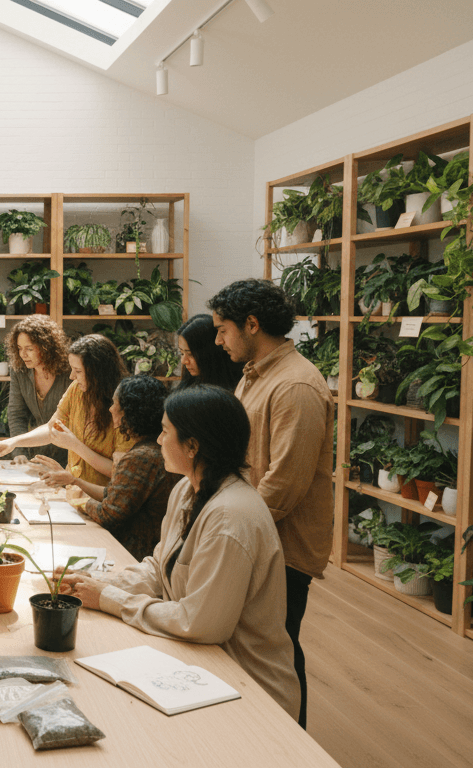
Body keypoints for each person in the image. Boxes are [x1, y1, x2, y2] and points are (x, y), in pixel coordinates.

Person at [58, 385, 301, 721]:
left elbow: (198, 624)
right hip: (200, 667)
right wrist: (97, 583)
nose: (158, 440)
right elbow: (159, 568)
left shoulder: (231, 516)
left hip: (247, 688)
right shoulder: (188, 489)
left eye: (165, 431)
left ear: (192, 446)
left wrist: (109, 598)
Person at [208, 278, 333, 729]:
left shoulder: (296, 385)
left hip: (282, 544)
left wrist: (233, 529)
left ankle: (292, 743)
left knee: (278, 647)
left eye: (223, 330)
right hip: (256, 534)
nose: (218, 340)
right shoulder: (255, 375)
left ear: (252, 324)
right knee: (256, 643)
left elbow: (286, 482)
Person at [42, 374, 177, 562]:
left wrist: (78, 501)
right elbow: (115, 495)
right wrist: (75, 481)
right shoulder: (146, 449)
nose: (110, 408)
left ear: (130, 412)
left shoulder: (141, 457)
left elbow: (108, 513)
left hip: (134, 555)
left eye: (115, 404)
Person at [0, 334, 133, 487]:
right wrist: (14, 442)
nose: (71, 376)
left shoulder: (124, 406)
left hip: (104, 495)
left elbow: (120, 472)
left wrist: (75, 445)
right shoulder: (77, 389)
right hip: (74, 492)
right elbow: (52, 429)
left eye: (78, 371)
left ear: (98, 372)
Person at [3, 315, 71, 465]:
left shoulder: (69, 371)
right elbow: (16, 413)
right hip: (38, 455)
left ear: (46, 347)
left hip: (71, 455)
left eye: (29, 349)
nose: (23, 354)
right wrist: (19, 452)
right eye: (19, 348)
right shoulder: (19, 370)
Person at [176, 313, 243, 391]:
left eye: (190, 354)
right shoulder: (189, 385)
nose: (183, 361)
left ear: (210, 353)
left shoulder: (237, 390)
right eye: (182, 353)